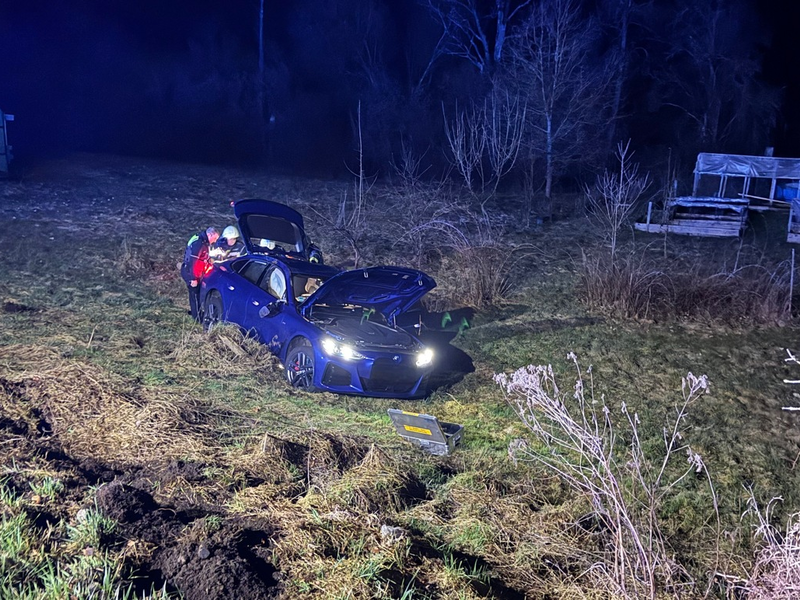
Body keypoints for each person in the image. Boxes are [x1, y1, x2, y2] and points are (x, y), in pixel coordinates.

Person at [180, 226, 219, 321]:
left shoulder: (202, 241)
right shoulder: (199, 243)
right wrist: (193, 278)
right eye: (214, 239)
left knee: (196, 294)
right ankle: (197, 317)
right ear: (210, 234)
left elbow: (202, 257)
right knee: (195, 295)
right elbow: (193, 261)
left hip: (193, 272)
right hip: (191, 273)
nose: (214, 241)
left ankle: (195, 312)